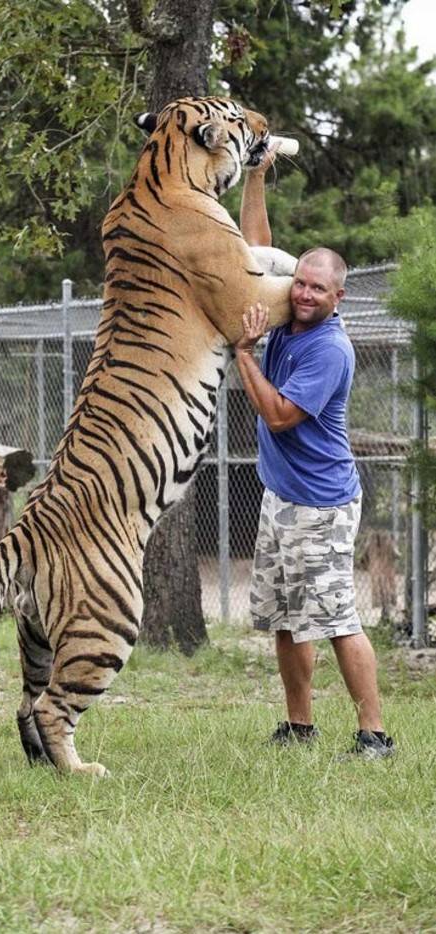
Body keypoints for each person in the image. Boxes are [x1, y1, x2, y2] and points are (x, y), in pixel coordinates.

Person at [235, 146, 395, 758]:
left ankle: (374, 735)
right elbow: (256, 248)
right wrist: (256, 175)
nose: (303, 293)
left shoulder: (328, 349)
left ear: (339, 297)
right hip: (282, 499)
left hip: (322, 507)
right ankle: (299, 725)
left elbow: (278, 417)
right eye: (299, 282)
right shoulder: (286, 312)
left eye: (317, 288)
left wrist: (245, 353)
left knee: (334, 621)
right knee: (283, 616)